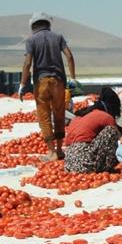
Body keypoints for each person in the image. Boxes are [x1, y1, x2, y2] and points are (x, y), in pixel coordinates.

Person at [19, 13, 77, 161]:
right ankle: (59, 150)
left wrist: (22, 84)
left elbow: (27, 63)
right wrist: (73, 78)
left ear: (33, 26)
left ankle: (51, 152)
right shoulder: (58, 37)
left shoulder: (31, 40)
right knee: (59, 114)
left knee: (44, 117)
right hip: (59, 82)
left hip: (42, 82)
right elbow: (69, 56)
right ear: (48, 24)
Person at [63, 88, 122, 173]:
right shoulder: (106, 116)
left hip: (69, 162)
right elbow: (119, 139)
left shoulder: (81, 114)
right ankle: (106, 166)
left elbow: (67, 142)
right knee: (111, 131)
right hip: (85, 163)